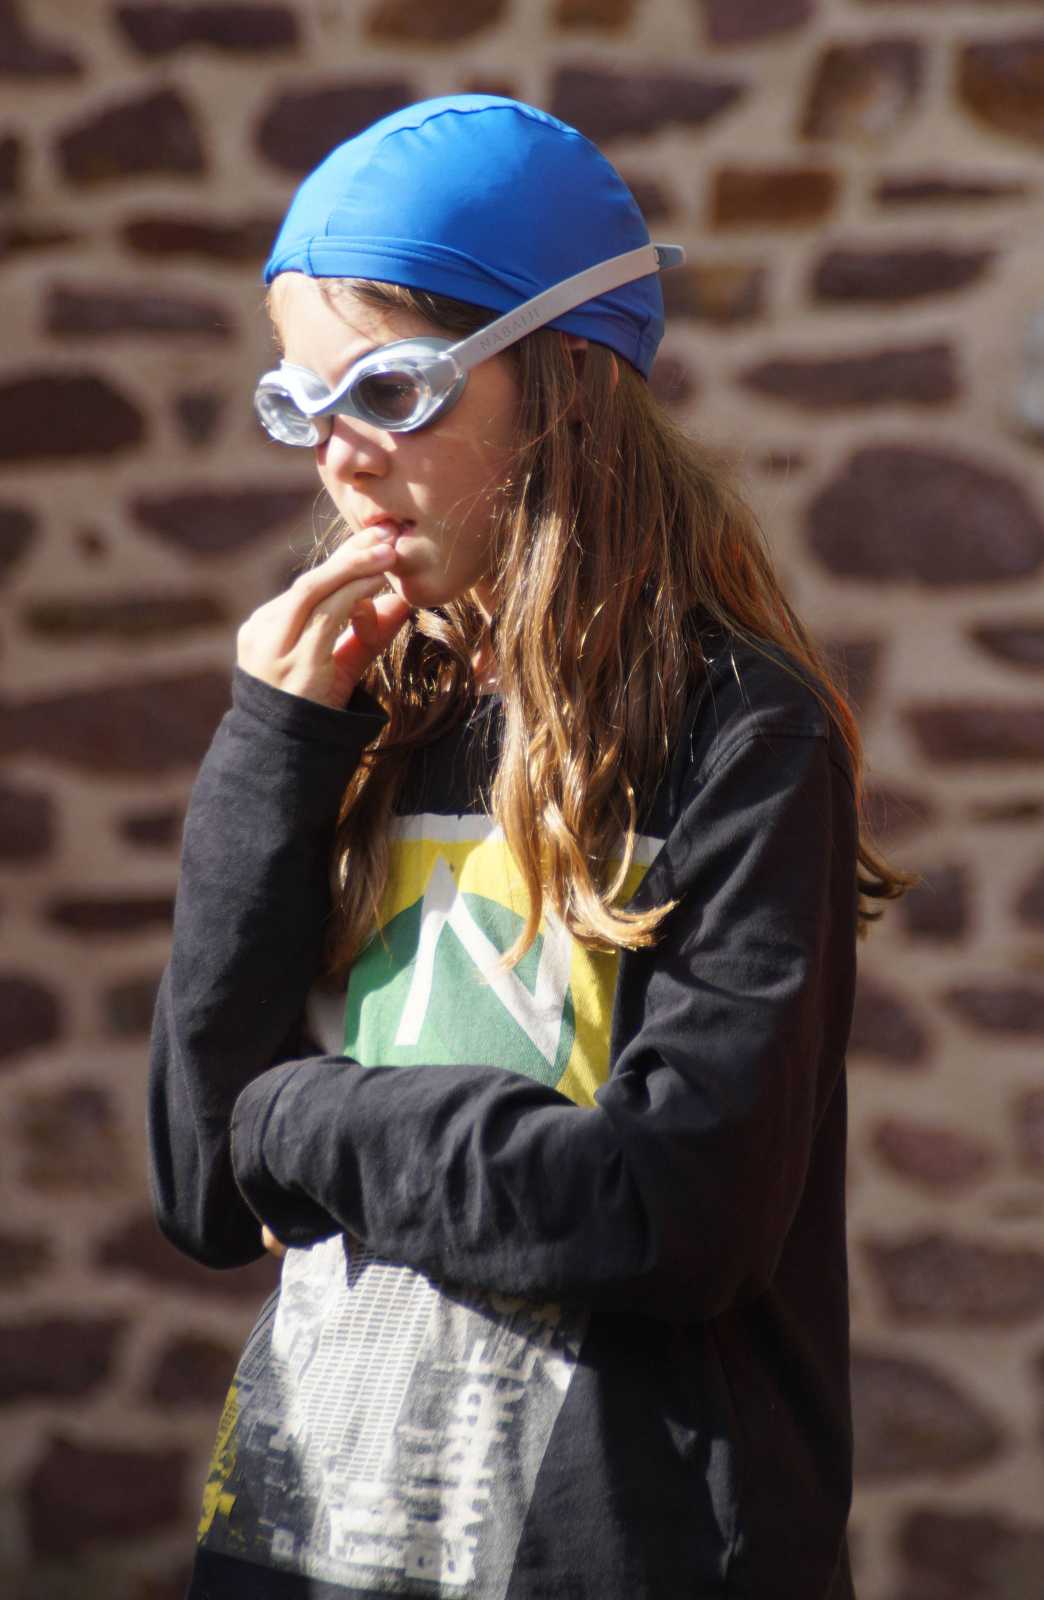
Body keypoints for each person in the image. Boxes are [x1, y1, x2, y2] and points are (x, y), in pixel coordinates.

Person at [148, 93, 912, 1600]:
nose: (340, 459)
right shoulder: (353, 713)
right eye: (300, 405)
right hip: (315, 1544)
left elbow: (673, 1213)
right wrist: (268, 751)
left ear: (565, 383)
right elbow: (198, 1179)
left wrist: (302, 1116)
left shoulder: (738, 733)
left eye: (392, 390)